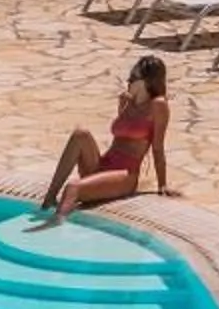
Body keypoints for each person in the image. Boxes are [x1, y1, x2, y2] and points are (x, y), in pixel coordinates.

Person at [37, 57, 177, 218]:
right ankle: (48, 200)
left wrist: (162, 184)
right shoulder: (126, 101)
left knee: (73, 188)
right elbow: (121, 137)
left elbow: (158, 147)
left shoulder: (158, 105)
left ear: (146, 81)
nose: (127, 82)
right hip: (104, 164)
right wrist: (124, 105)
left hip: (125, 174)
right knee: (80, 134)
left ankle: (55, 227)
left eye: (132, 79)